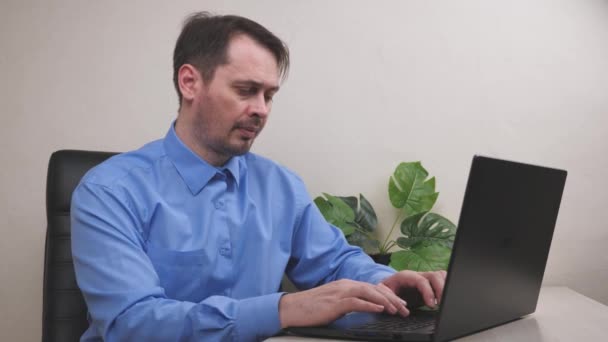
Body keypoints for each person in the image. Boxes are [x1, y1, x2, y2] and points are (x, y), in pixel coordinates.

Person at [71, 12, 446, 342]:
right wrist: (282, 309)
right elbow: (131, 324)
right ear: (190, 83)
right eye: (246, 91)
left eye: (269, 95)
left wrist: (383, 282)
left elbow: (333, 263)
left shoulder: (280, 186)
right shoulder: (109, 191)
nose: (261, 110)